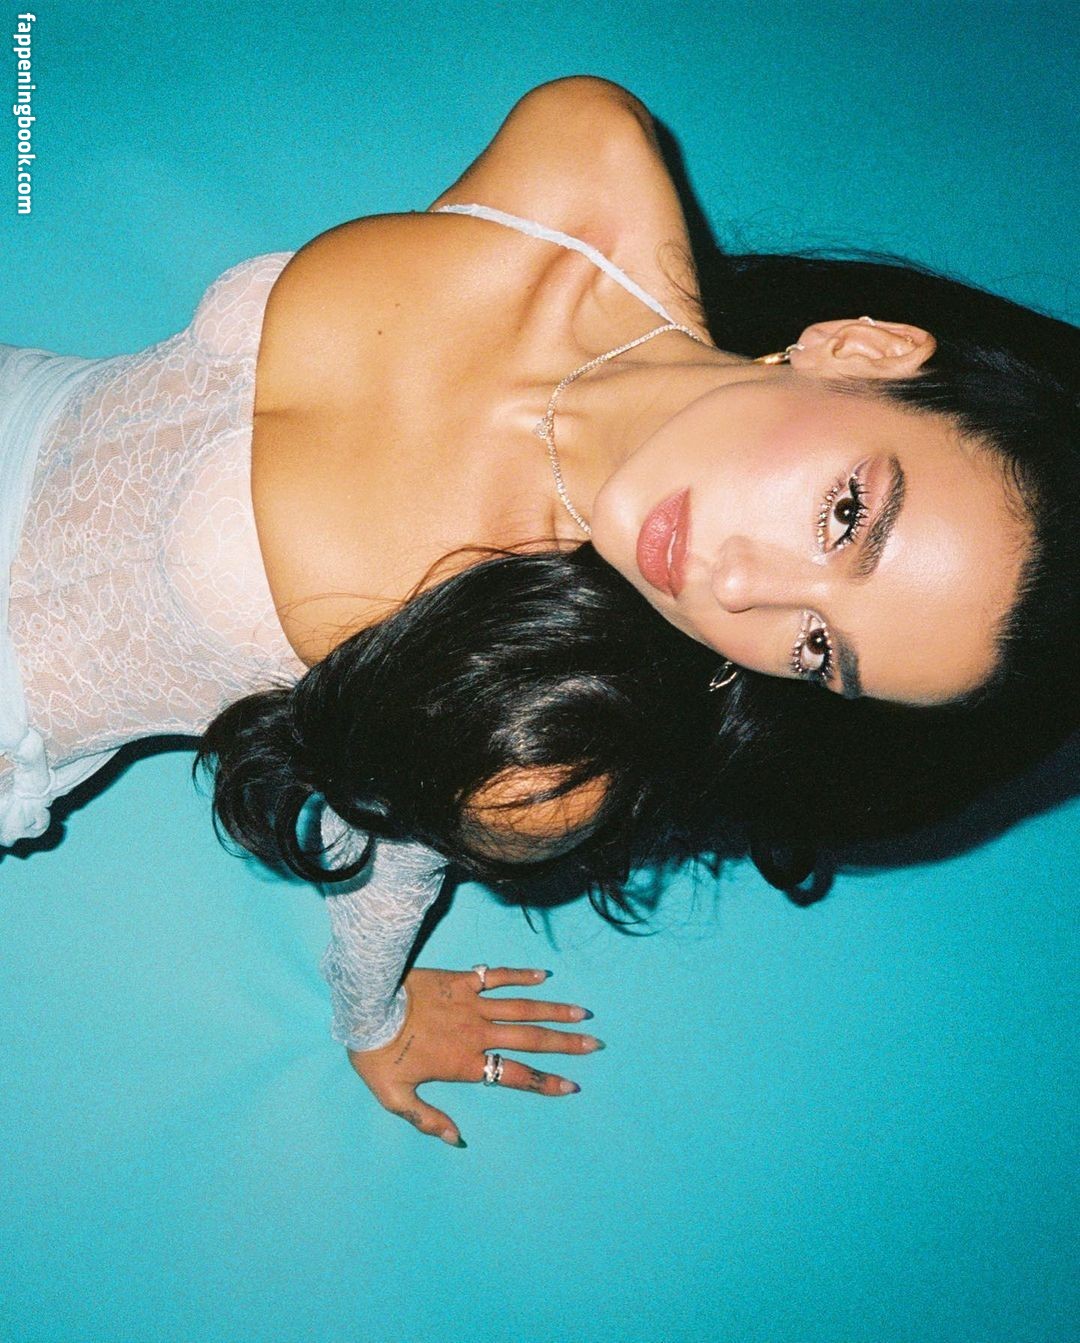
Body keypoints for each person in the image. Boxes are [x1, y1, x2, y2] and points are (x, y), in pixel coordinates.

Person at [3, 77, 1077, 1144]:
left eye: (813, 646)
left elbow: (381, 842)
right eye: (845, 516)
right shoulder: (588, 166)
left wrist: (371, 1021)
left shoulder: (547, 728)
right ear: (860, 349)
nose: (740, 588)